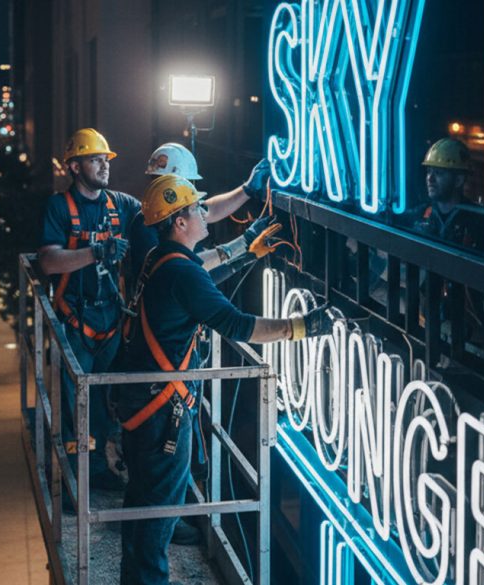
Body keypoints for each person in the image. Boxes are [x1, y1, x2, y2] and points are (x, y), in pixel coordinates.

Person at [115, 174, 335, 585]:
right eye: (197, 208)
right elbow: (234, 322)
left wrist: (247, 256)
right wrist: (298, 327)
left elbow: (202, 285)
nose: (204, 212)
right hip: (163, 414)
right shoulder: (179, 272)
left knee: (143, 507)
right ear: (179, 222)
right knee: (158, 515)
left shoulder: (162, 260)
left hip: (145, 405)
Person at [38, 128, 139, 490]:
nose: (104, 165)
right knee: (72, 409)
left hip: (110, 320)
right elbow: (48, 262)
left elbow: (172, 216)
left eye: (105, 159)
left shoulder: (122, 206)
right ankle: (73, 482)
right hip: (75, 322)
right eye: (95, 159)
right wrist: (96, 252)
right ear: (75, 166)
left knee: (106, 403)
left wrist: (244, 194)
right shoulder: (59, 207)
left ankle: (103, 469)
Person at [128, 142, 274, 283]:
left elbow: (209, 210)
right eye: (186, 182)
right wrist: (244, 242)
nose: (189, 187)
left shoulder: (170, 212)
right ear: (170, 187)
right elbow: (182, 271)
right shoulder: (146, 225)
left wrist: (247, 189)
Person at [409, 137, 484, 252]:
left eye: (438, 173)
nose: (430, 178)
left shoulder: (477, 222)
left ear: (458, 180)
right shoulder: (421, 213)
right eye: (429, 171)